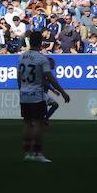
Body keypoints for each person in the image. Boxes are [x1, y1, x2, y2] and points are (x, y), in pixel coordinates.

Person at [18, 30, 69, 163]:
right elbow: (50, 78)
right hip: (37, 95)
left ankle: (27, 154)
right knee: (39, 123)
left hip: (24, 94)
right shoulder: (42, 59)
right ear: (41, 42)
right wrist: (62, 92)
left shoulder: (22, 56)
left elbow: (18, 76)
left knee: (28, 123)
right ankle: (37, 152)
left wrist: (21, 90)